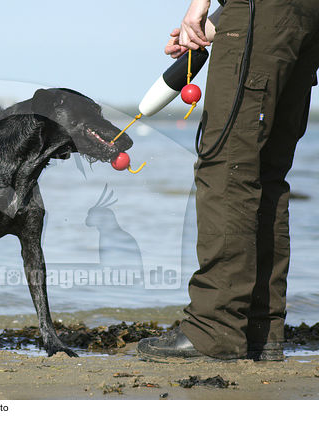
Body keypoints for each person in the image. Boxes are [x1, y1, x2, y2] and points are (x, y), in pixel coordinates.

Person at [137, 0, 319, 361]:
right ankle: (261, 330)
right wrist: (219, 21)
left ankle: (214, 330)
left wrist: (199, 6)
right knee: (265, 174)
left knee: (227, 170)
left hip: (260, 11)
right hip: (301, 17)